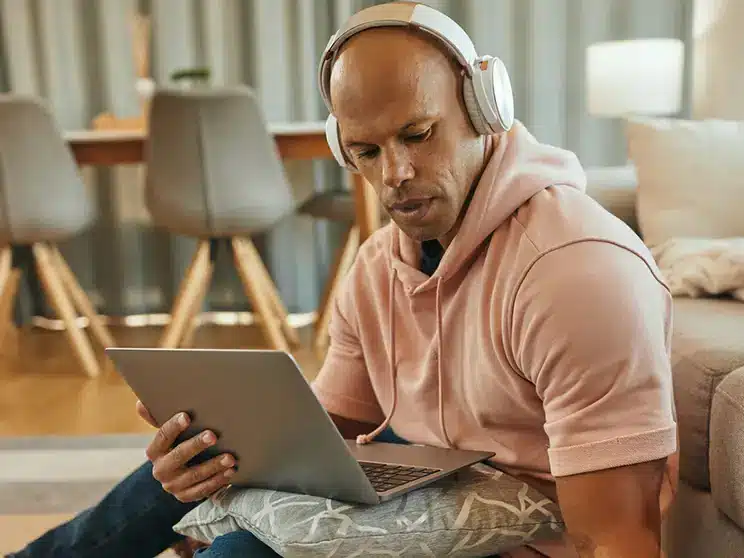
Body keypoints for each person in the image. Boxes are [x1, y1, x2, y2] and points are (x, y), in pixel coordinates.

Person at [8, 3, 678, 558]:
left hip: (531, 521)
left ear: (483, 105)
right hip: (431, 463)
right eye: (365, 151)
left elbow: (617, 536)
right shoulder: (381, 262)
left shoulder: (575, 273)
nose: (395, 176)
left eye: (418, 134)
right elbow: (335, 422)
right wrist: (212, 444)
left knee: (239, 550)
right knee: (202, 456)